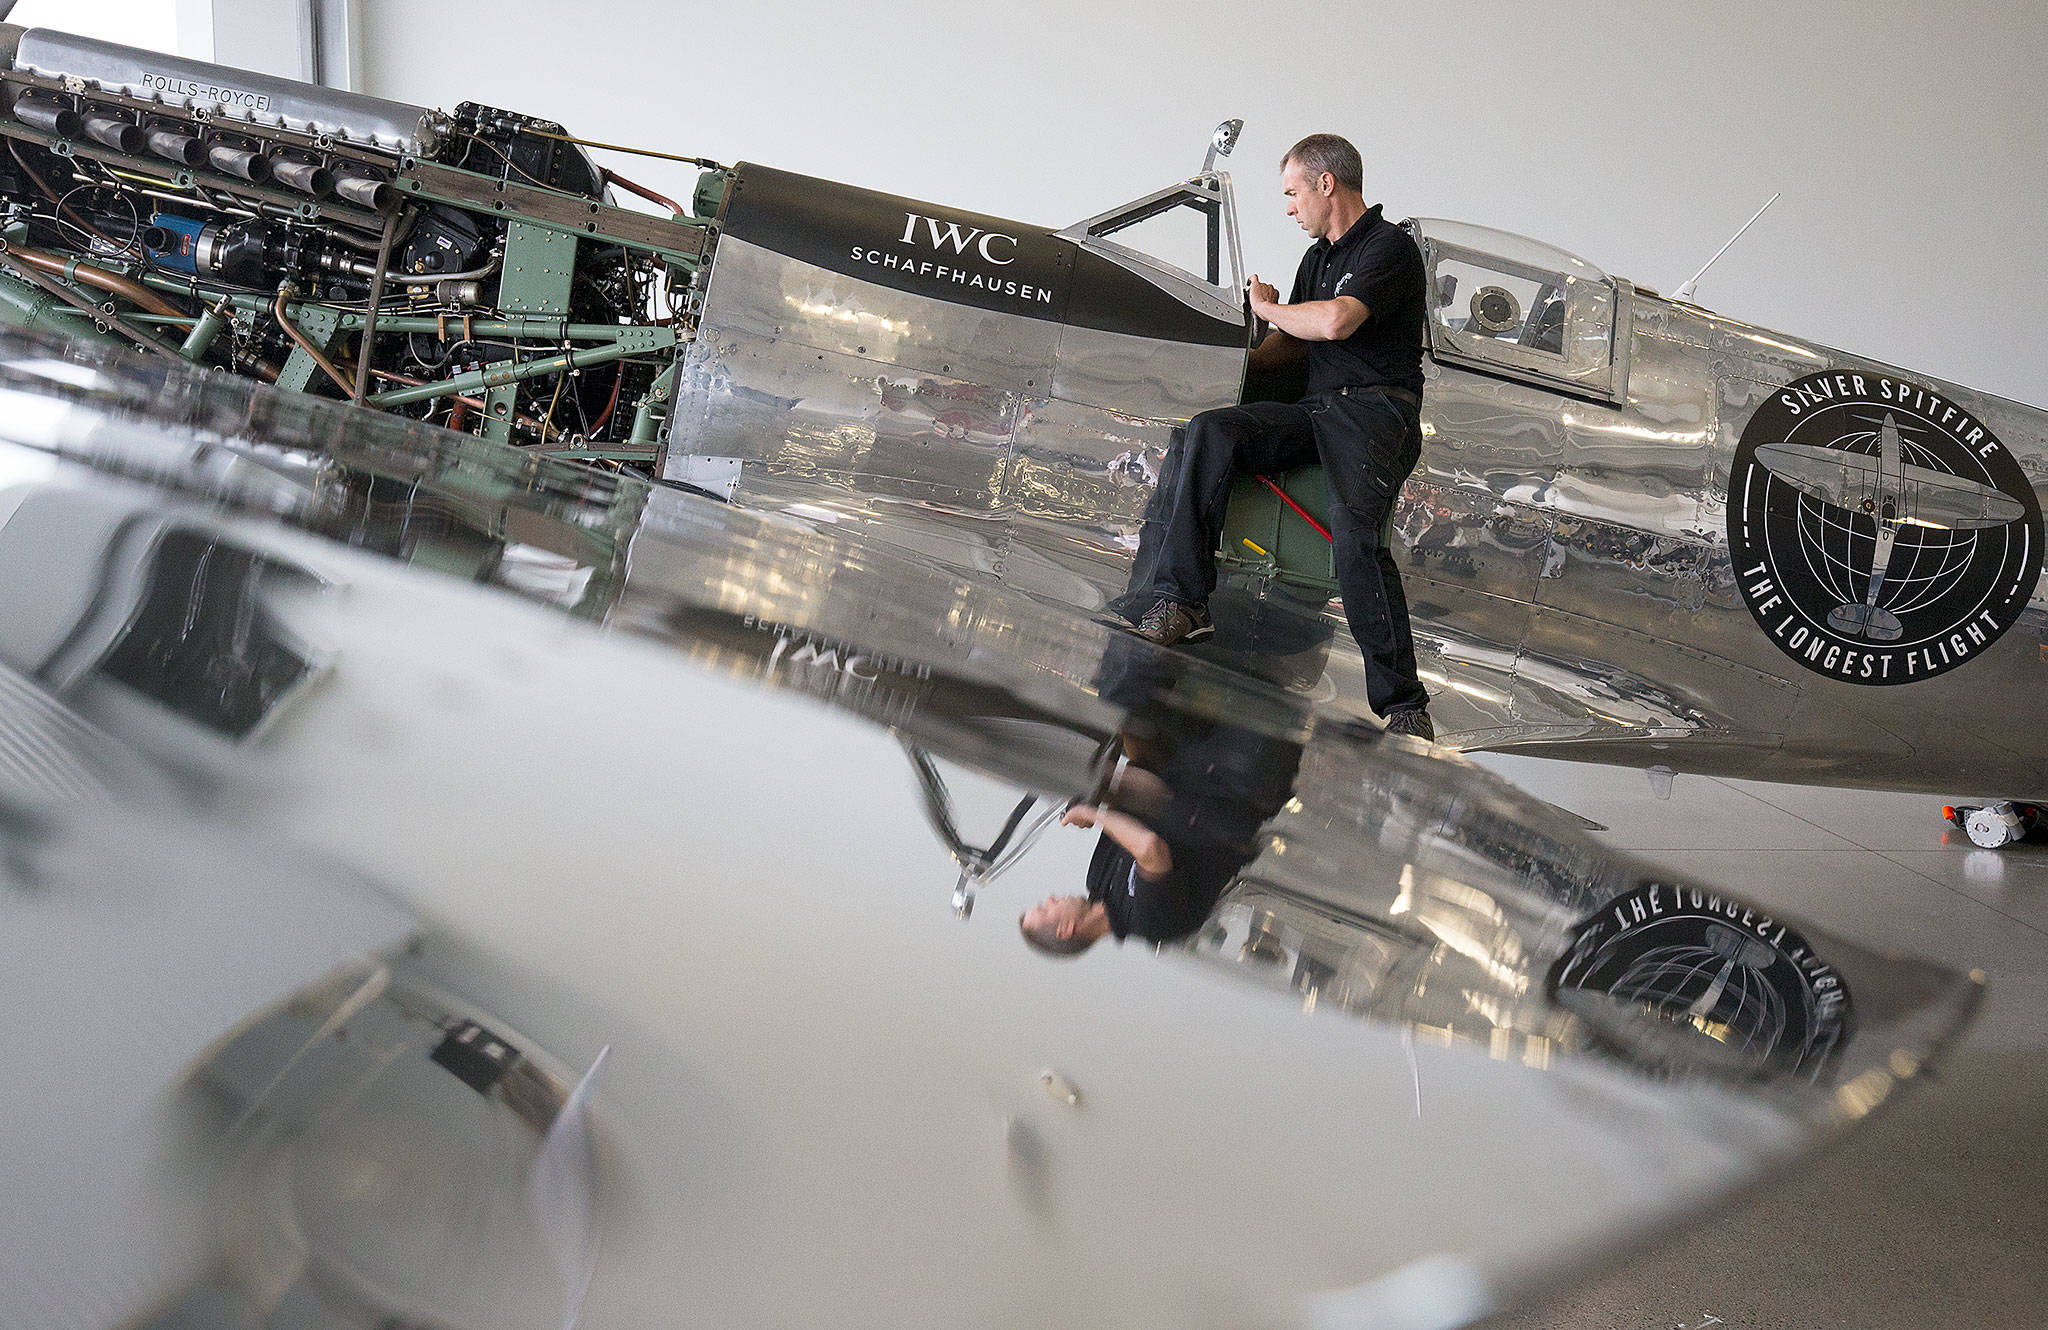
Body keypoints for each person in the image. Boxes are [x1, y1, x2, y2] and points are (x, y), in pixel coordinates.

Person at [1119, 133, 1435, 741]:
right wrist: (1215, 348)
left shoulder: (1388, 247)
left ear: (1326, 184)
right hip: (1317, 411)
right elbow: (1290, 347)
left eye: (1292, 193)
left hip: (1376, 414)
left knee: (1355, 541)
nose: (1288, 207)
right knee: (1211, 432)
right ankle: (1184, 601)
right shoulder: (1316, 258)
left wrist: (1270, 310)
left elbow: (1337, 321)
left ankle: (1403, 706)